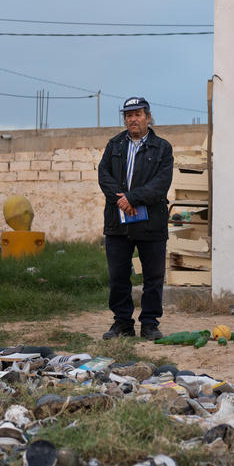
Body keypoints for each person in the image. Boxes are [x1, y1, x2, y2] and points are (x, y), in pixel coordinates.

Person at [97, 97, 173, 340]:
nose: (133, 119)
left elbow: (161, 184)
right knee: (118, 275)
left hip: (151, 222)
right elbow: (104, 174)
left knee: (153, 276)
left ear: (147, 117)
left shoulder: (163, 148)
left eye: (138, 114)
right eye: (129, 115)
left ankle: (149, 324)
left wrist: (132, 198)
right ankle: (122, 324)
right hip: (118, 223)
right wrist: (121, 200)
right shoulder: (114, 145)